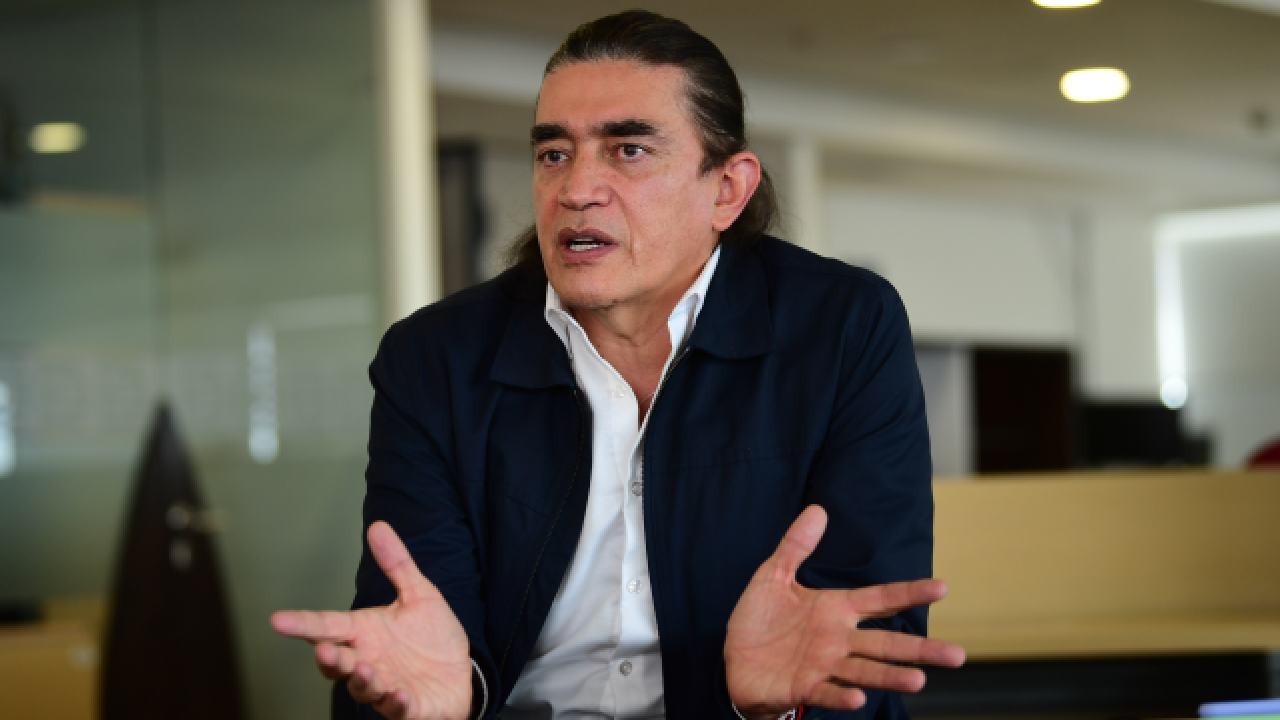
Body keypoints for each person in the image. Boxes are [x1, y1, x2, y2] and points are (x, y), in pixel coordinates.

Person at [272, 10, 965, 719]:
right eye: (554, 154)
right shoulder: (434, 359)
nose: (576, 189)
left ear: (727, 188)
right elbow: (410, 639)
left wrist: (771, 711)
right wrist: (449, 699)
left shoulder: (842, 329)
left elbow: (864, 636)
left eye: (628, 150)